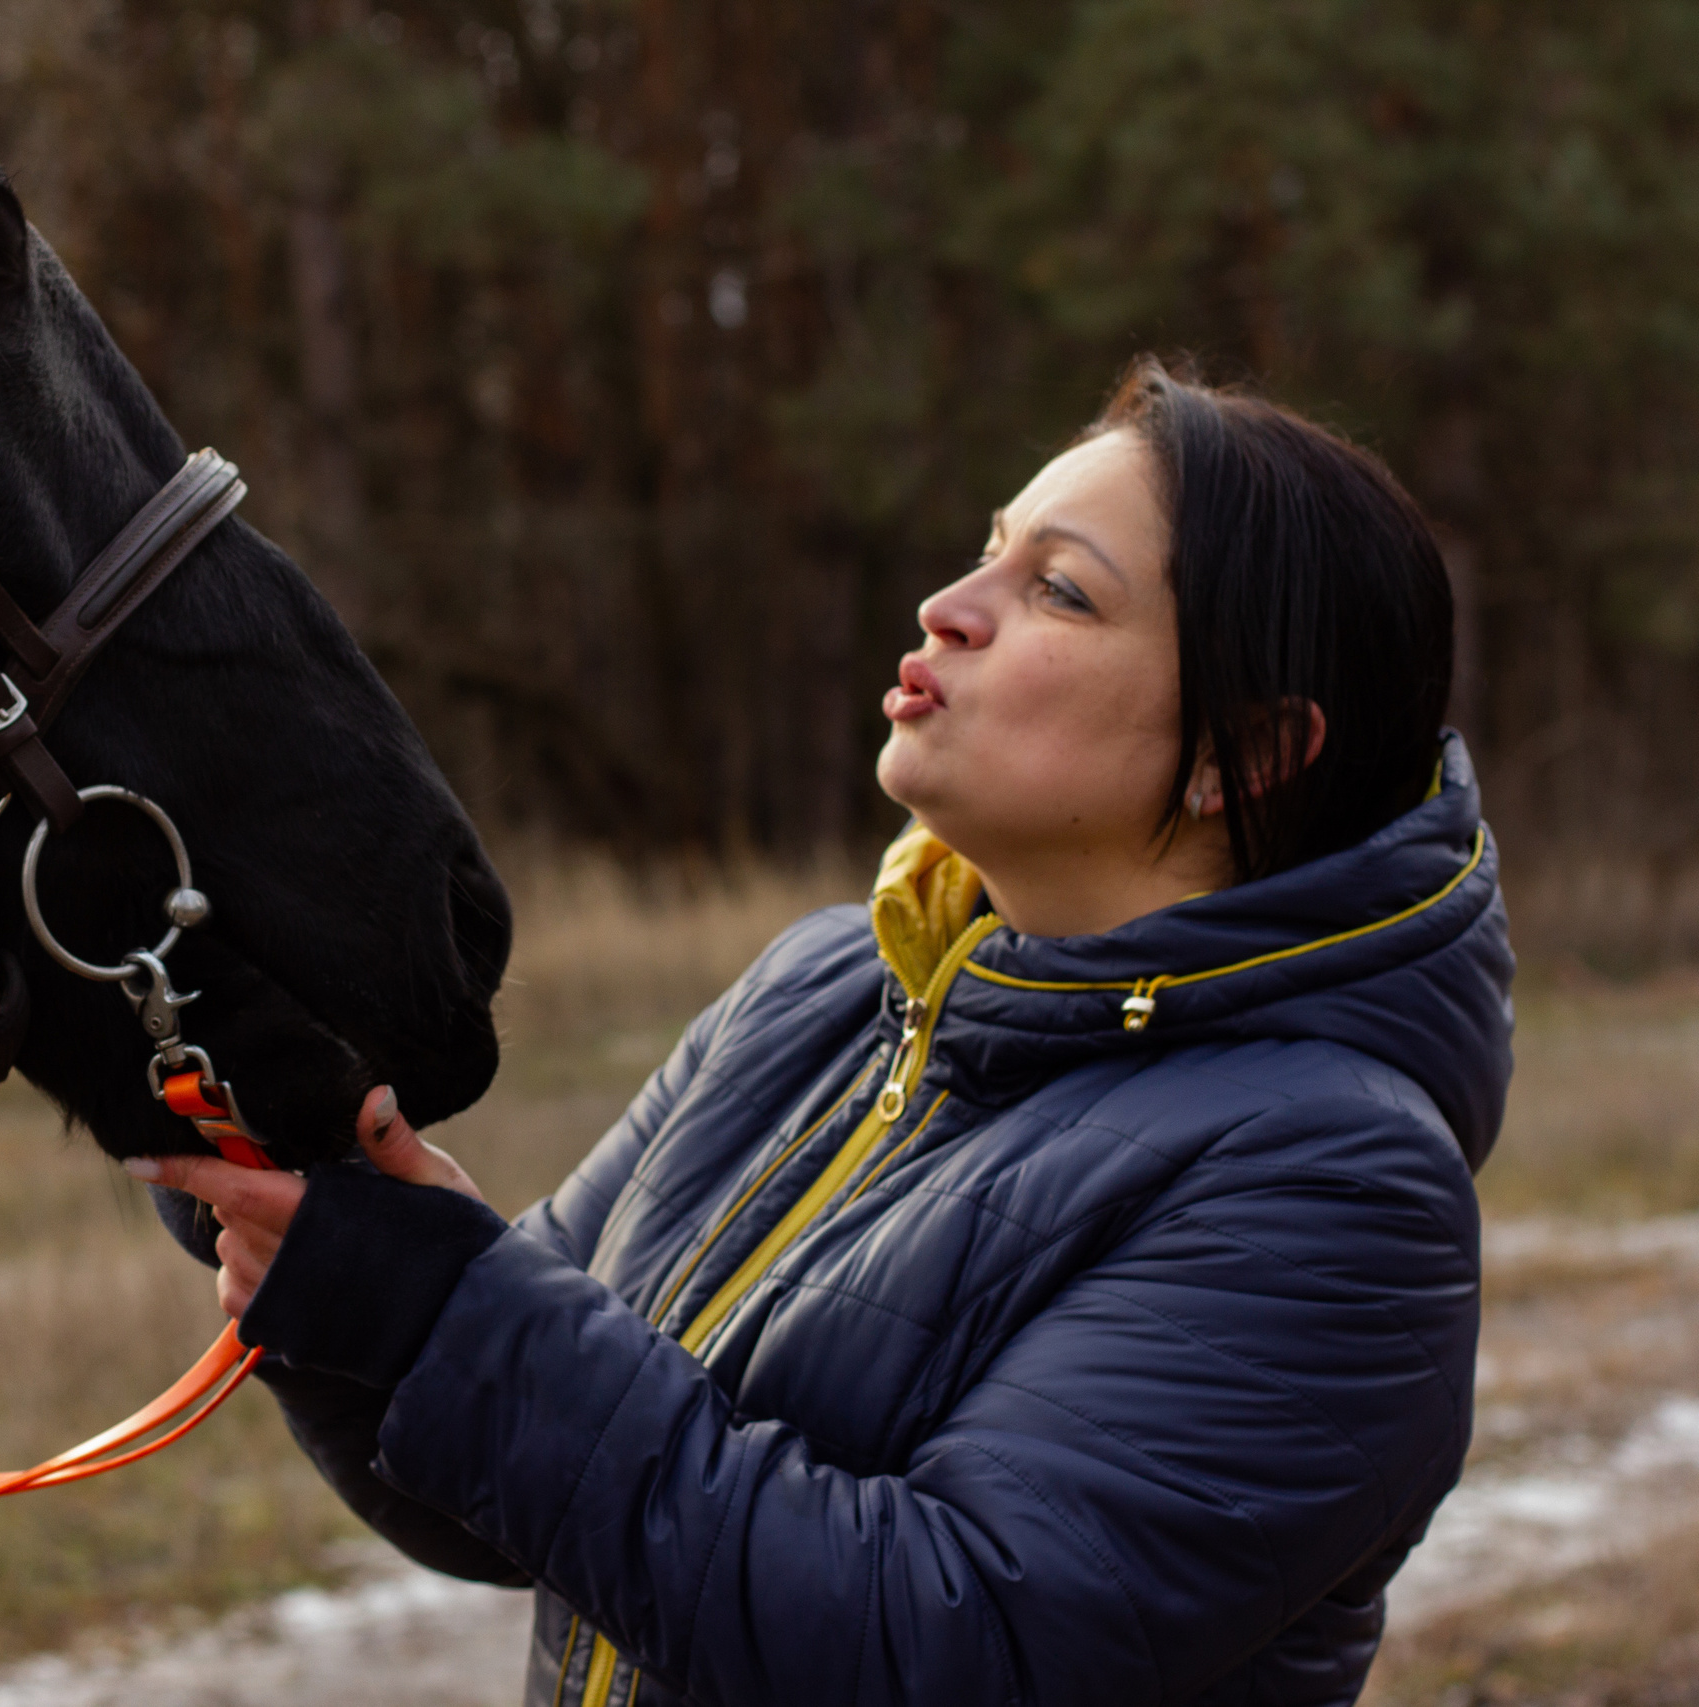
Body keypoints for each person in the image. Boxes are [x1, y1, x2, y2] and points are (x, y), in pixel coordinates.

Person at [128, 359, 1512, 1707]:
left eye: (1059, 591)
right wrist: (321, 1231)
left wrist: (448, 1313)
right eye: (989, 550)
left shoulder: (1338, 1184)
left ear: (1243, 755)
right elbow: (514, 1496)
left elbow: (945, 1646)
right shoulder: (824, 988)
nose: (947, 609)